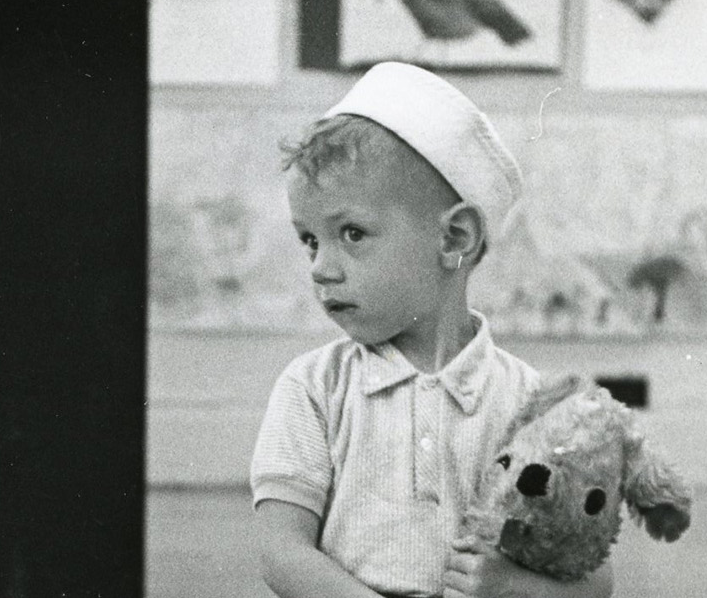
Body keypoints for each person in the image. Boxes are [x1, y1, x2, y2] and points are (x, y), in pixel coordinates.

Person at [249, 62, 609, 598]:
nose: (321, 267)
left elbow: (594, 584)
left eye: (351, 233)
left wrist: (513, 586)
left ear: (454, 238)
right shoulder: (313, 388)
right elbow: (282, 552)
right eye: (309, 240)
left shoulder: (536, 406)